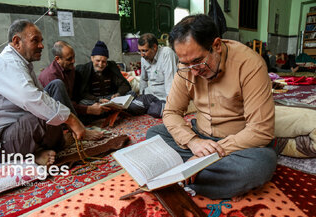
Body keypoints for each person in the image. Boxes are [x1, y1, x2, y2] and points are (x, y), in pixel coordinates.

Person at [146, 14, 277, 200]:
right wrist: (193, 142)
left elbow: (261, 130)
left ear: (216, 45)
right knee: (154, 136)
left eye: (198, 61)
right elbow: (171, 112)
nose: (193, 70)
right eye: (185, 63)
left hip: (237, 146)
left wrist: (208, 155)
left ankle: (182, 175)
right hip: (200, 138)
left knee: (260, 165)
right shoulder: (186, 66)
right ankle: (202, 177)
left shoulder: (250, 64)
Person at [0, 19, 102, 166]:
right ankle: (38, 152)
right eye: (35, 41)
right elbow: (33, 100)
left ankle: (42, 148)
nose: (41, 46)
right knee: (45, 111)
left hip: (13, 130)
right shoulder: (7, 63)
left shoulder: (22, 63)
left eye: (41, 41)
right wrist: (71, 119)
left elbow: (42, 96)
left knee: (53, 94)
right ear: (17, 42)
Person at [38, 41, 110, 123]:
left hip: (72, 106)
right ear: (58, 59)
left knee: (103, 109)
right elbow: (60, 107)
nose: (73, 61)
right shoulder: (51, 76)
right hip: (56, 112)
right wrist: (89, 109)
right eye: (69, 59)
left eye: (73, 57)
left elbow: (77, 96)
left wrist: (97, 101)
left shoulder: (70, 68)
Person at [127, 33, 178, 118]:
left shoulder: (166, 53)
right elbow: (143, 79)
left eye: (144, 50)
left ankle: (158, 108)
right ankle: (151, 106)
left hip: (164, 97)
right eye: (140, 51)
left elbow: (170, 81)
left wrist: (171, 105)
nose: (142, 54)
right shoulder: (144, 58)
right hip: (151, 95)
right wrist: (142, 96)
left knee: (155, 110)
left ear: (154, 47)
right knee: (132, 107)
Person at [75, 40, 131, 105]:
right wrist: (98, 100)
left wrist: (118, 94)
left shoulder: (111, 67)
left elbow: (124, 85)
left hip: (110, 97)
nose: (100, 64)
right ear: (92, 58)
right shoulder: (84, 70)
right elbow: (82, 93)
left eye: (103, 62)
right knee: (82, 102)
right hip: (94, 100)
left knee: (131, 94)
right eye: (97, 61)